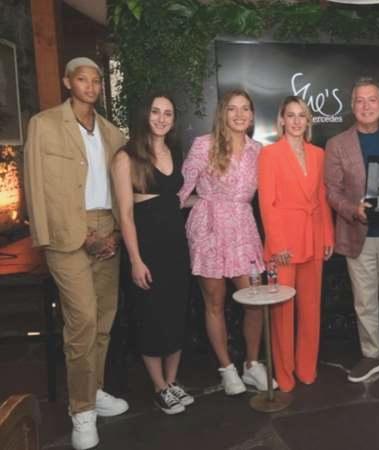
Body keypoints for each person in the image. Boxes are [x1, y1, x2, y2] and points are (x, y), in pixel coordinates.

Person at [23, 57, 129, 450]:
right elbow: (35, 184)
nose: (91, 86)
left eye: (96, 80)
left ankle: (94, 391)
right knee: (82, 320)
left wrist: (116, 232)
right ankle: (81, 411)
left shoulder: (112, 133)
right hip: (67, 234)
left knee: (103, 319)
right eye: (82, 79)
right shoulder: (45, 124)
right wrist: (48, 235)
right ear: (68, 82)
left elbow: (120, 188)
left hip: (107, 227)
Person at [178, 89, 274, 395]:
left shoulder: (259, 150)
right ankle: (227, 369)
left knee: (255, 301)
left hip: (244, 229)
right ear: (223, 113)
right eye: (232, 108)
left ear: (252, 115)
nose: (239, 114)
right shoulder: (203, 145)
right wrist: (204, 203)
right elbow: (180, 192)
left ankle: (251, 365)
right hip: (209, 230)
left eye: (245, 109)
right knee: (215, 302)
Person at [324, 77, 379, 383]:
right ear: (352, 107)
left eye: (372, 99)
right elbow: (332, 192)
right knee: (364, 302)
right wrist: (354, 209)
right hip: (358, 234)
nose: (366, 106)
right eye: (360, 101)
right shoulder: (337, 144)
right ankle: (372, 354)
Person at [111, 93, 193, 415]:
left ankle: (172, 382)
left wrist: (211, 201)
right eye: (156, 112)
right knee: (150, 318)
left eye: (168, 113)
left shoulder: (174, 151)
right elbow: (125, 215)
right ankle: (159, 387)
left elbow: (175, 199)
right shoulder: (126, 157)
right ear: (146, 115)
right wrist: (135, 260)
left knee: (176, 313)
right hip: (147, 247)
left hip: (176, 245)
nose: (161, 118)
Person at [258, 96, 335, 392]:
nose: (296, 121)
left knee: (311, 308)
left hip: (313, 237)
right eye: (290, 115)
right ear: (281, 120)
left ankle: (306, 367)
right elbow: (266, 204)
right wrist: (277, 245)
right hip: (285, 244)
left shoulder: (318, 154)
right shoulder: (270, 154)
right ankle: (285, 372)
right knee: (282, 311)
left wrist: (327, 235)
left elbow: (322, 198)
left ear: (308, 120)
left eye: (301, 115)